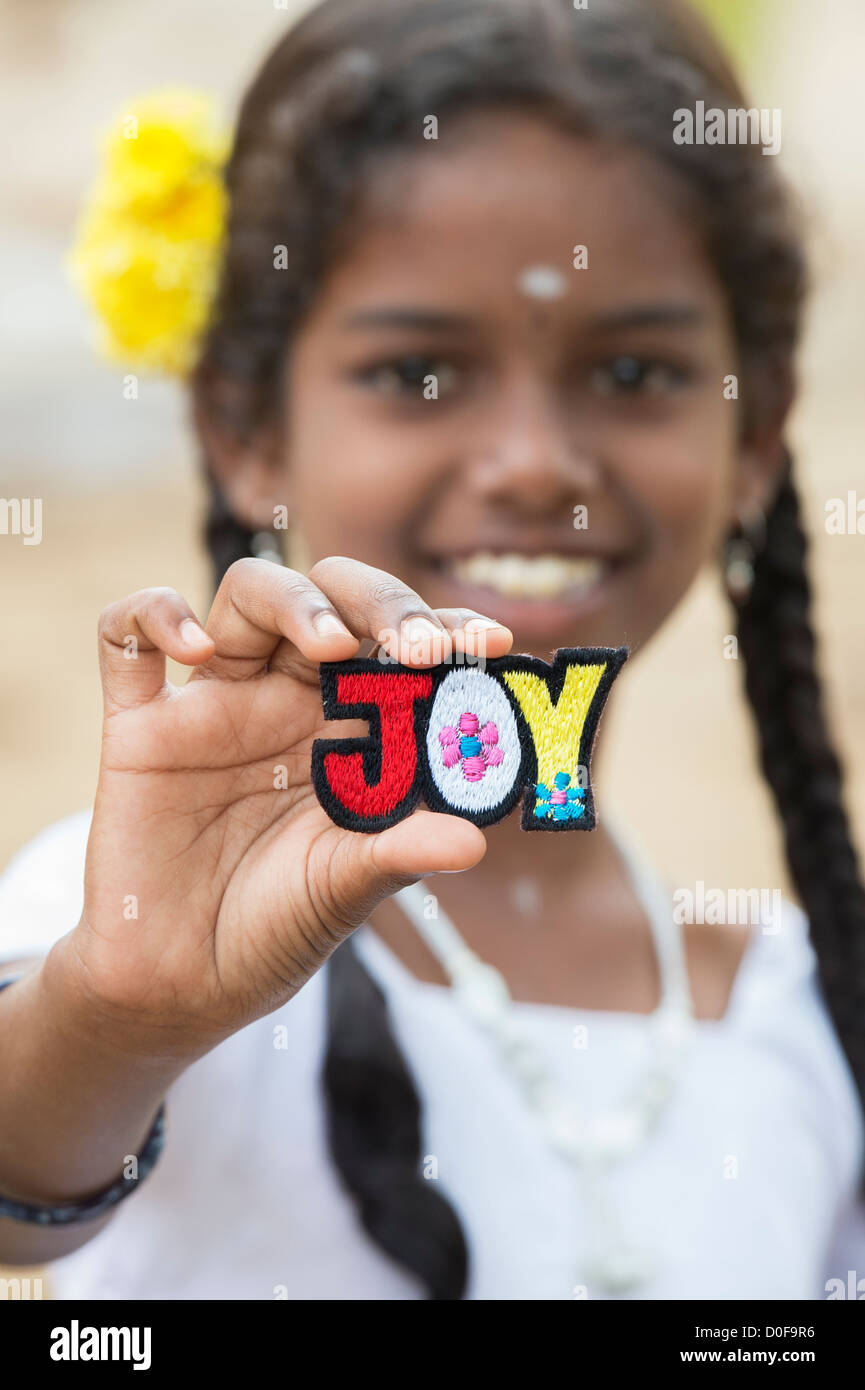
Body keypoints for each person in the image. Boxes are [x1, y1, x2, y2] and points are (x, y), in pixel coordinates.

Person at [1, 0, 863, 1301]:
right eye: (418, 375)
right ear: (245, 428)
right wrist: (121, 1015)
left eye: (633, 374)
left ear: (754, 440)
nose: (534, 465)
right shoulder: (145, 909)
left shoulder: (804, 1012)